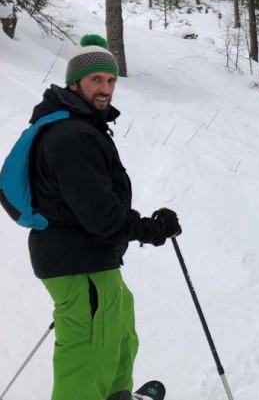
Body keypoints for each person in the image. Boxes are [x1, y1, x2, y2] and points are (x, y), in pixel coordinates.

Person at [27, 34, 182, 400]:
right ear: (74, 83)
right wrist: (154, 230)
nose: (106, 88)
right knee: (88, 358)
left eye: (111, 80)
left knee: (119, 339)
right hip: (77, 263)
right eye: (96, 79)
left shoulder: (79, 126)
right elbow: (103, 217)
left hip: (93, 261)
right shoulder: (71, 136)